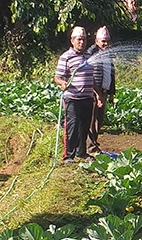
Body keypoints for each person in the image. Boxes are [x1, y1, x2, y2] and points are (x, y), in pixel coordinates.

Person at [54, 26, 103, 163]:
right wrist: (62, 83)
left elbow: (91, 78)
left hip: (87, 97)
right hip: (73, 98)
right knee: (72, 126)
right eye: (79, 39)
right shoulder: (66, 57)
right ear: (72, 41)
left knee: (84, 126)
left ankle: (82, 152)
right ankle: (68, 155)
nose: (82, 42)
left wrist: (98, 94)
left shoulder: (88, 57)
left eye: (84, 39)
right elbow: (57, 77)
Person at [87, 26, 115, 156]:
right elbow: (90, 75)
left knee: (99, 120)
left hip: (103, 91)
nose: (106, 44)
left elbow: (111, 73)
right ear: (96, 40)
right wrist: (97, 94)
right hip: (94, 92)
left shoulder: (108, 53)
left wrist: (111, 94)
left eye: (108, 41)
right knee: (91, 120)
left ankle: (94, 144)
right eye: (103, 41)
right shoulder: (92, 53)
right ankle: (90, 148)